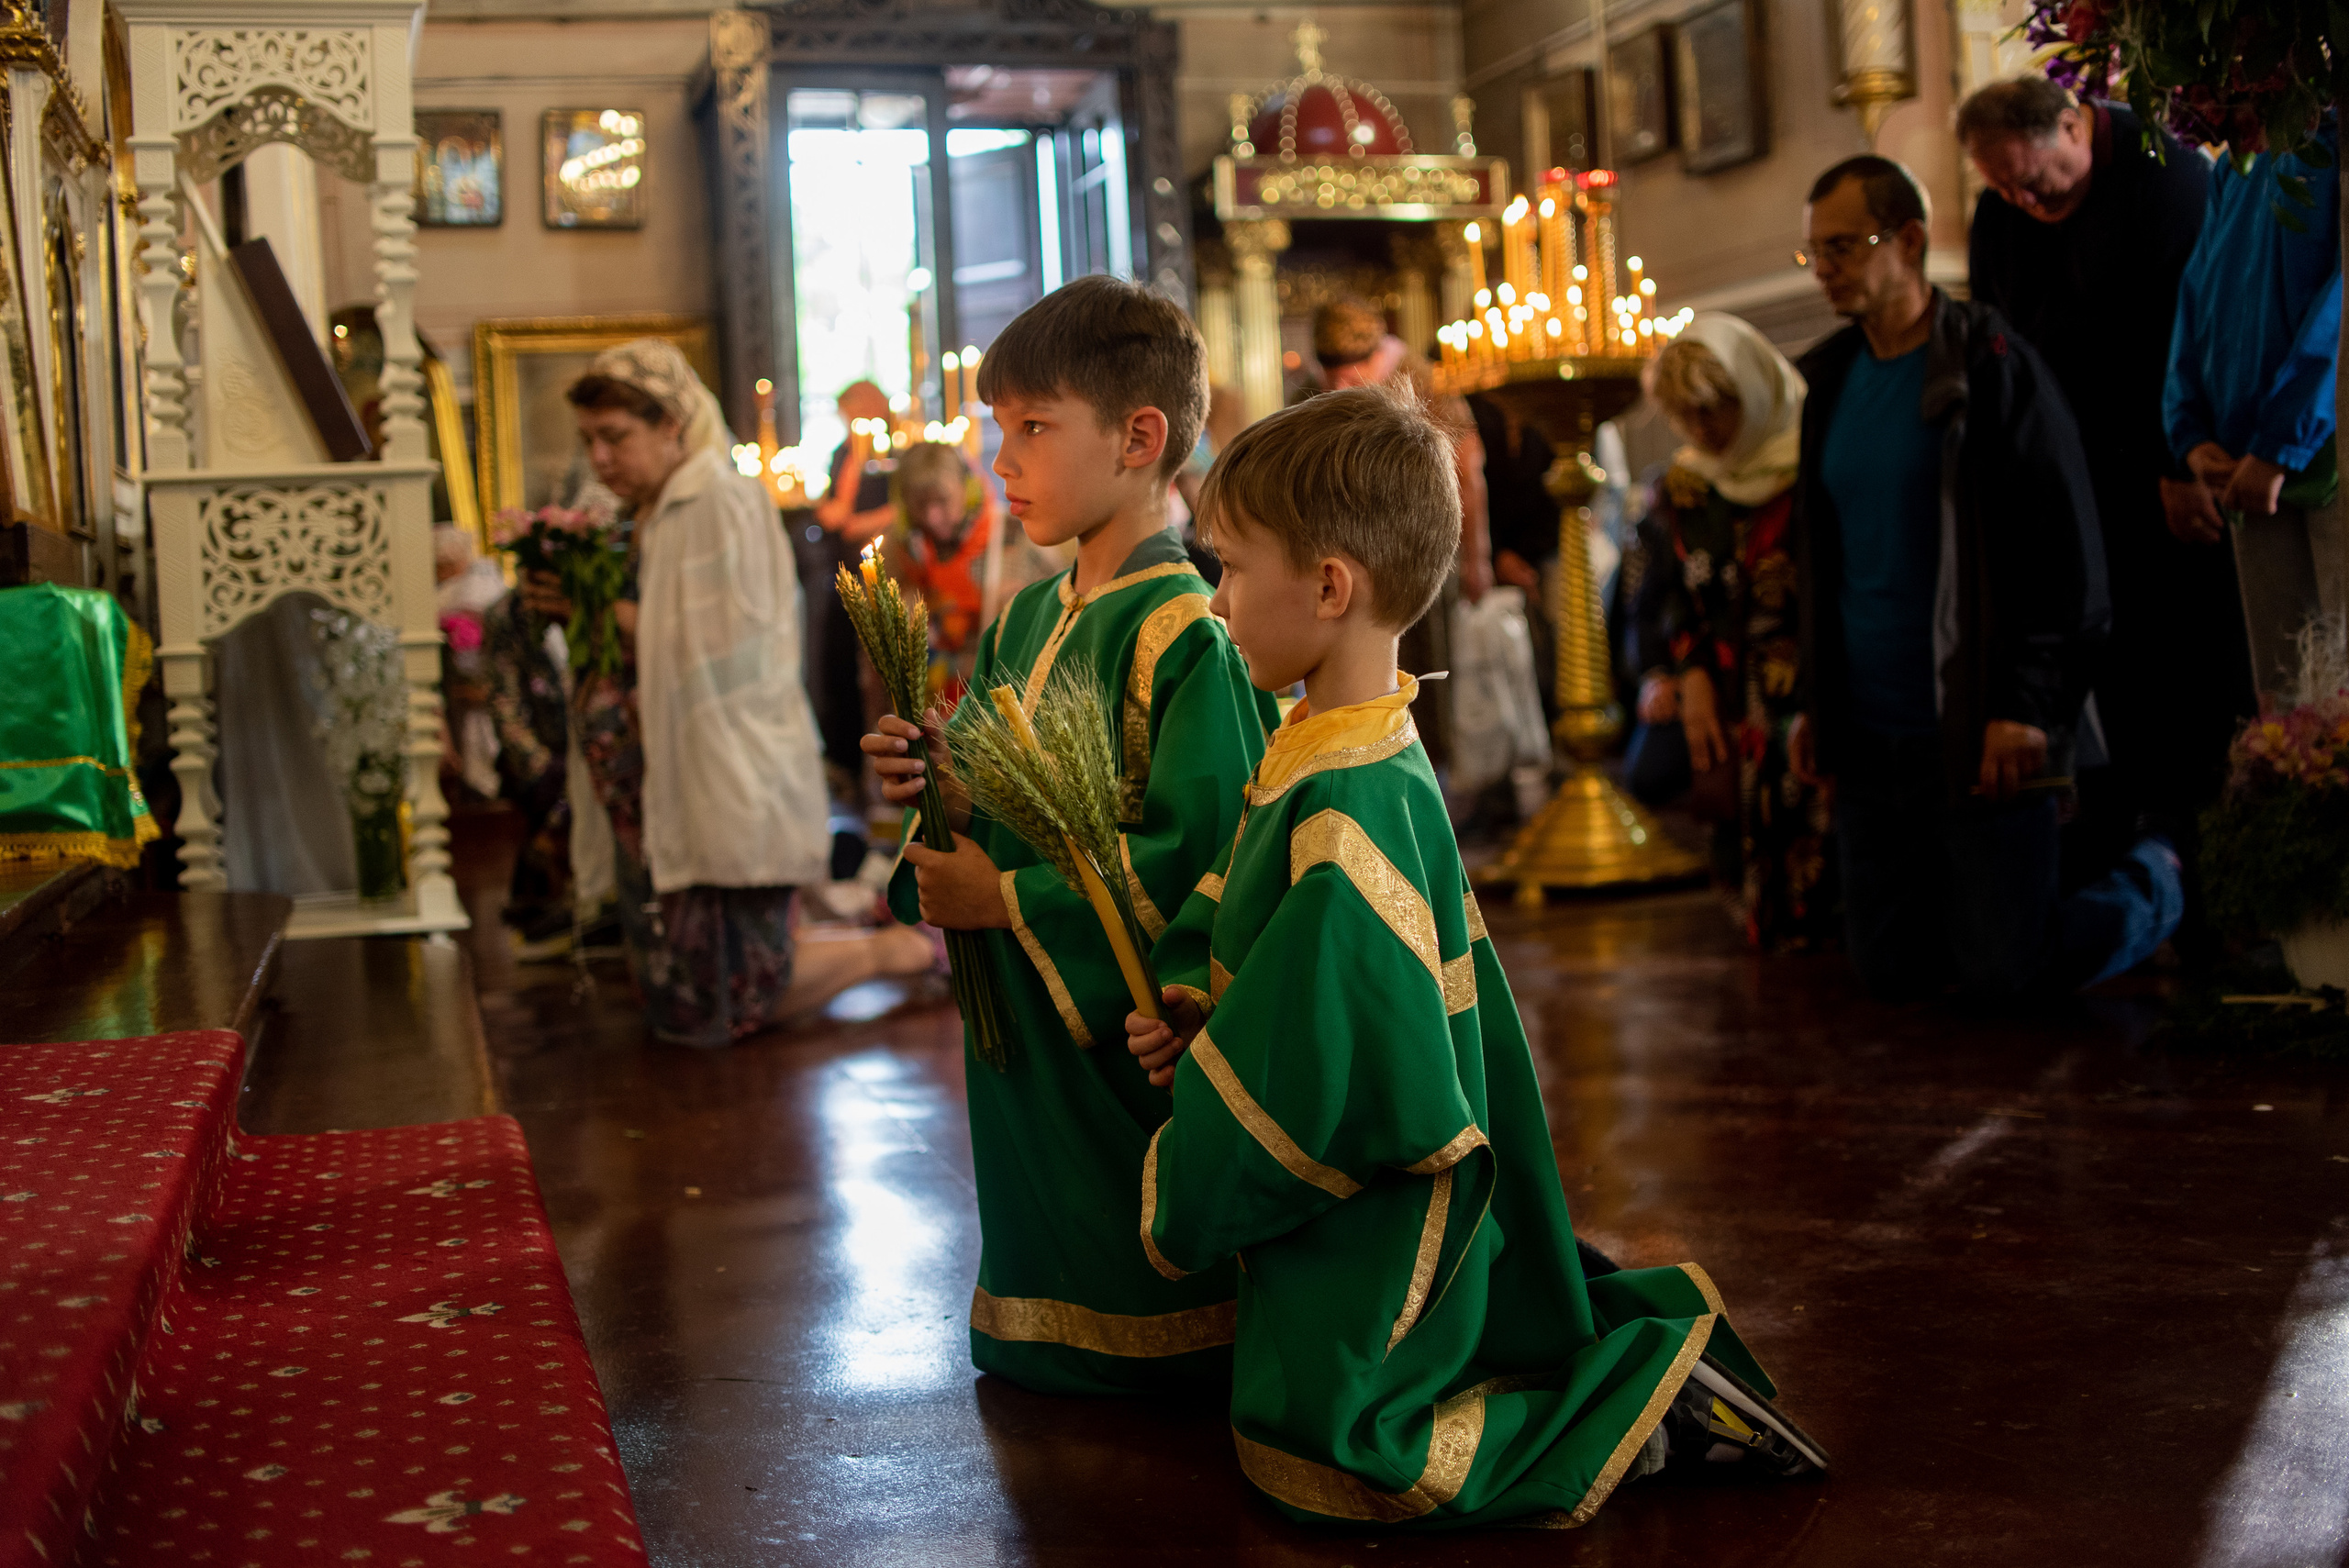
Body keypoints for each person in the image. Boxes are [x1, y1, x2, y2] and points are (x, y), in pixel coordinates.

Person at [1123, 386, 1826, 1529]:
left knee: (1351, 1445)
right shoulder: (1333, 736)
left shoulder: (1350, 793)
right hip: (1373, 1157)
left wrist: (1198, 1130)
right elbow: (1281, 953)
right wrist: (1209, 1002)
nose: (1217, 598)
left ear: (1330, 586)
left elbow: (1317, 1060)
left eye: (1233, 567)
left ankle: (1636, 1412)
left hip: (1372, 1197)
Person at [859, 276, 1281, 1395]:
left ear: (1140, 437)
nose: (1004, 461)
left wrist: (1004, 901)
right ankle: (1044, 1318)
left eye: (1034, 427)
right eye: (1001, 430)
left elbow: (1208, 855)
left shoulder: (1191, 627)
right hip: (1028, 1046)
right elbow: (994, 808)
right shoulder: (1030, 617)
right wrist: (939, 789)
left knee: (1142, 1266)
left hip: (1120, 1046)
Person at [1788, 156, 2182, 999]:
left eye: (1844, 247)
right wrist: (1815, 704)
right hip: (1871, 737)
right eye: (1814, 252)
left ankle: (2160, 875)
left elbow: (2065, 552)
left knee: (2010, 975)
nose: (1825, 268)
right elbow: (1821, 563)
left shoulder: (1992, 364)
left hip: (1975, 723)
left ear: (1912, 241)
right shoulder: (1826, 384)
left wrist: (2028, 706)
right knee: (1890, 972)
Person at [522, 339, 934, 1046]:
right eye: (590, 440)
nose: (600, 459)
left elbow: (714, 648)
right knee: (681, 989)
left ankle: (903, 950)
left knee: (732, 989)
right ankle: (887, 945)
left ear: (672, 425)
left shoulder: (717, 501)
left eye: (616, 437)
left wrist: (590, 610)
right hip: (668, 777)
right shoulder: (650, 510)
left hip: (726, 770)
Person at [1958, 75, 2243, 869]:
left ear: (2075, 129)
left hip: (2165, 474)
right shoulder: (2003, 212)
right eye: (2000, 185)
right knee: (2107, 676)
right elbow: (1998, 344)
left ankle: (2200, 866)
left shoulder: (2167, 174)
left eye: (2030, 177)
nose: (2019, 198)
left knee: (2186, 677)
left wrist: (2174, 460)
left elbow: (2194, 332)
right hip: (2069, 485)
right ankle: (2132, 859)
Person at [1624, 315, 1832, 950]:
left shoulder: (1812, 464)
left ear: (1753, 390)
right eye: (1686, 416)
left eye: (1714, 410)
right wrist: (1686, 672)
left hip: (1808, 674)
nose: (1703, 431)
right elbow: (1674, 595)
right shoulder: (1687, 486)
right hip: (1719, 679)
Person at [2164, 114, 2344, 708]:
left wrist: (2279, 444)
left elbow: (2340, 304)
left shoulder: (2331, 134)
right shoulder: (2237, 162)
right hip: (2239, 454)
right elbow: (2200, 291)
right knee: (2286, 691)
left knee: (2338, 672)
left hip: (2317, 446)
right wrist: (2189, 430)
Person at [1313, 296, 1489, 773]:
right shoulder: (1322, 388)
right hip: (1356, 567)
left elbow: (1468, 470)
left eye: (1351, 375)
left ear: (1377, 357)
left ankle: (1434, 782)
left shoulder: (1421, 379)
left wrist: (1478, 559)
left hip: (1421, 558)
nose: (1338, 386)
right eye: (1331, 374)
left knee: (1427, 678)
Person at [884, 439, 1056, 708]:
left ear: (968, 489)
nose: (932, 517)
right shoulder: (901, 552)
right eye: (919, 505)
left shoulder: (1015, 537)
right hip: (931, 709)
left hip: (1003, 707)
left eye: (942, 501)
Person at [805, 381, 901, 780]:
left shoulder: (893, 451)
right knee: (838, 661)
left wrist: (860, 522)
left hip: (883, 565)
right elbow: (835, 504)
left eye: (853, 413)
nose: (850, 423)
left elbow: (902, 505)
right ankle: (845, 758)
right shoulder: (842, 454)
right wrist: (831, 511)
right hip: (842, 567)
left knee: (877, 668)